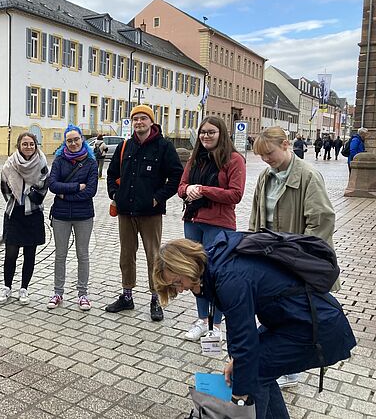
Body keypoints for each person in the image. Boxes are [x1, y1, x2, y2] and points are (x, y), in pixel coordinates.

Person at [151, 236, 356, 419]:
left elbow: (244, 339)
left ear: (187, 265)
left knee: (253, 373)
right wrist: (236, 361)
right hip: (295, 319)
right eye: (173, 287)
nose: (181, 289)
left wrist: (240, 398)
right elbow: (240, 330)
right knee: (254, 369)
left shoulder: (230, 278)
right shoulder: (216, 262)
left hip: (317, 326)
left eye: (178, 281)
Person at [249, 126, 338, 388]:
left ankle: (293, 368)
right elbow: (257, 217)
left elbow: (321, 222)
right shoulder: (267, 175)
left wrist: (298, 258)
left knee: (297, 314)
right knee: (275, 311)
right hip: (271, 257)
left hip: (298, 262)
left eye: (270, 153)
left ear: (286, 144)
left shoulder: (308, 175)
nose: (266, 159)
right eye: (261, 156)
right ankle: (280, 363)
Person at [105, 104, 183, 322]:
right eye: (135, 119)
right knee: (126, 255)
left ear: (151, 121)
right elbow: (111, 174)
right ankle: (127, 295)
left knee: (154, 257)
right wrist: (114, 193)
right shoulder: (124, 147)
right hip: (126, 212)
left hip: (150, 213)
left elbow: (177, 175)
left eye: (143, 118)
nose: (139, 122)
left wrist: (158, 197)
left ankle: (155, 298)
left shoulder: (164, 147)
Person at [177, 116, 246, 341]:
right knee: (196, 272)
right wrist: (189, 189)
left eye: (211, 132)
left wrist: (204, 190)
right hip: (193, 221)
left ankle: (216, 325)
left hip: (220, 224)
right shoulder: (195, 158)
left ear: (222, 134)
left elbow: (235, 194)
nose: (206, 136)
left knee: (217, 274)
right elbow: (181, 187)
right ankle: (202, 320)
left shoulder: (234, 160)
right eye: (203, 132)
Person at [47, 124, 98, 311]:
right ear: (65, 142)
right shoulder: (59, 160)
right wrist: (77, 187)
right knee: (60, 255)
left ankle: (82, 294)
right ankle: (57, 292)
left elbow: (90, 191)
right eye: (69, 140)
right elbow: (52, 185)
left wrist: (64, 194)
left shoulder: (91, 163)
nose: (73, 143)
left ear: (82, 139)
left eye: (76, 139)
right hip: (61, 215)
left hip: (84, 215)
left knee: (82, 255)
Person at [0, 132, 49, 305]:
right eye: (25, 144)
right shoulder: (10, 164)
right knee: (10, 253)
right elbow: (4, 187)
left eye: (31, 144)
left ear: (36, 145)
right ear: (18, 146)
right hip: (14, 213)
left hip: (33, 213)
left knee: (30, 254)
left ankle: (24, 288)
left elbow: (43, 185)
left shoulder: (41, 163)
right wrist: (18, 198)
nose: (28, 147)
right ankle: (7, 287)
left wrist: (30, 197)